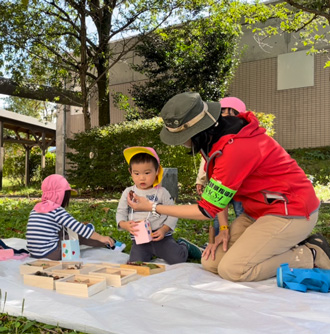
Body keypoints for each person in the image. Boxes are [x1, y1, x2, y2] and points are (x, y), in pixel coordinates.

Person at [126, 92, 329, 283]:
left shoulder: (234, 149)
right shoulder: (214, 137)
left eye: (181, 137)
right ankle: (279, 246)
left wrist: (152, 207)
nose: (180, 143)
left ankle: (311, 253)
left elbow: (205, 210)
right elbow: (217, 191)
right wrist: (223, 227)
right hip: (257, 212)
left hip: (290, 211)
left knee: (233, 270)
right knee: (211, 263)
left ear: (197, 130)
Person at [116, 146, 201, 264]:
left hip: (162, 238)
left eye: (147, 172)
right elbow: (121, 212)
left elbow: (173, 213)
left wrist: (164, 230)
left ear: (157, 171)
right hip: (140, 240)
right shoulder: (128, 192)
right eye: (136, 173)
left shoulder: (162, 192)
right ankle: (147, 253)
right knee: (136, 263)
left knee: (177, 259)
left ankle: (184, 246)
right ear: (130, 172)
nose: (142, 177)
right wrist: (124, 224)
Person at [26, 174, 115, 260]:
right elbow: (78, 228)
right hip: (51, 253)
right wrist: (101, 237)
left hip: (34, 254)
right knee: (77, 234)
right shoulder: (56, 210)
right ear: (61, 196)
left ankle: (99, 238)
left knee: (65, 231)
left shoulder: (36, 208)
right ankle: (108, 242)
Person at [196, 97, 244, 248]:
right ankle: (217, 241)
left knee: (241, 214)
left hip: (240, 185)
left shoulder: (243, 137)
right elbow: (206, 160)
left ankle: (241, 242)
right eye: (222, 113)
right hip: (218, 181)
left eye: (231, 113)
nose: (226, 117)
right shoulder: (214, 137)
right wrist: (201, 180)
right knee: (217, 214)